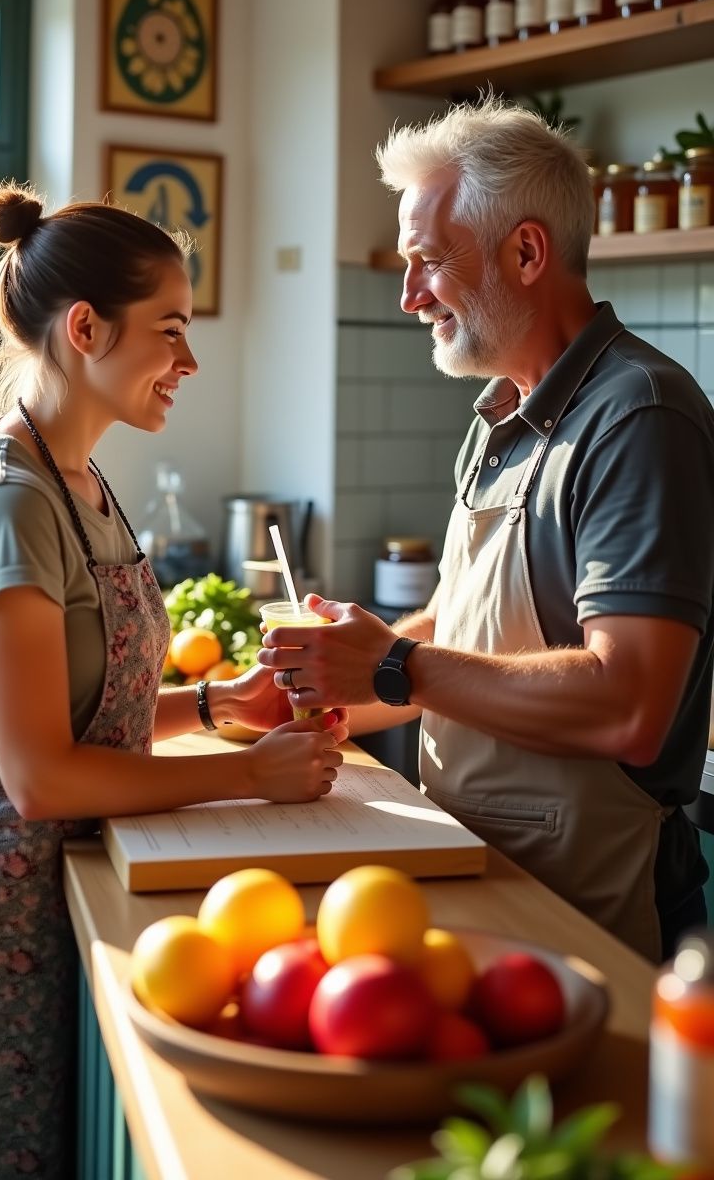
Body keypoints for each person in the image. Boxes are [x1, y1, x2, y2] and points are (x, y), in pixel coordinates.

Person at [0, 185, 347, 1180]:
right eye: (172, 332)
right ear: (86, 328)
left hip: (57, 895)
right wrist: (250, 776)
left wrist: (220, 706)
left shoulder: (84, 480)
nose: (189, 361)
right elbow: (41, 778)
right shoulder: (13, 501)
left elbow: (87, 718)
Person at [260, 96, 714, 964]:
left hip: (597, 904)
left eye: (428, 261)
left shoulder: (640, 417)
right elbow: (458, 623)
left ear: (528, 251)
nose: (407, 296)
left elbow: (631, 707)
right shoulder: (499, 413)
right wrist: (320, 693)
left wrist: (393, 665)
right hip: (486, 868)